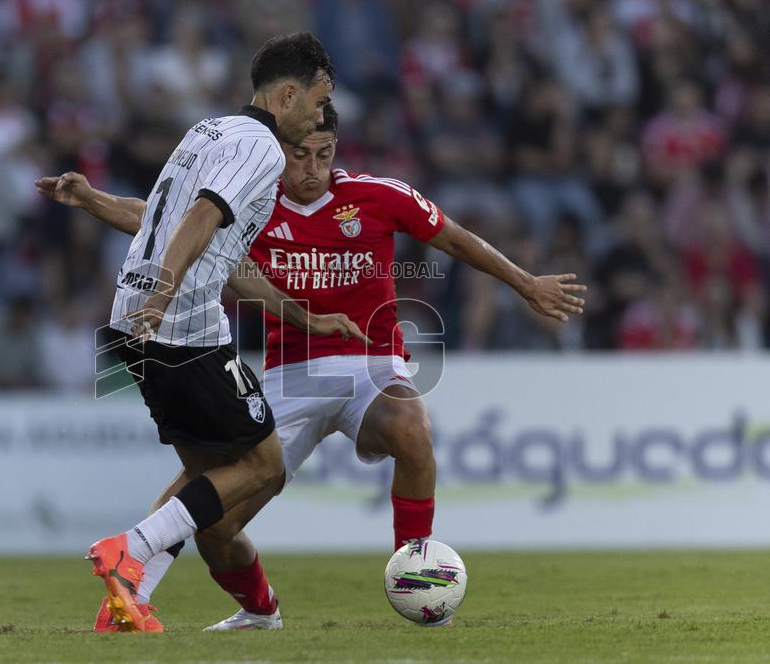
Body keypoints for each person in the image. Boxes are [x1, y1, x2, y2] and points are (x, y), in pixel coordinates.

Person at [37, 105, 587, 631]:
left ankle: (413, 571)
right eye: (300, 156)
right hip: (289, 374)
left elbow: (454, 238)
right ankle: (258, 612)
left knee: (411, 427)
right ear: (280, 152)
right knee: (217, 527)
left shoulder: (378, 196)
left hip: (371, 364)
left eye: (324, 155)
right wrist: (91, 199)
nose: (312, 169)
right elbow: (161, 221)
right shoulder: (253, 202)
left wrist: (527, 284)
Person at [38, 33, 365, 633]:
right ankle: (130, 549)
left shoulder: (209, 131)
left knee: (204, 477)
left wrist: (91, 200)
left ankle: (128, 601)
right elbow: (201, 216)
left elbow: (174, 226)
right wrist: (165, 295)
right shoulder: (263, 150)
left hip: (132, 320)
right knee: (264, 465)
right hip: (181, 325)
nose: (322, 115)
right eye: (319, 102)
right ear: (287, 95)